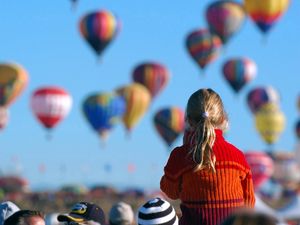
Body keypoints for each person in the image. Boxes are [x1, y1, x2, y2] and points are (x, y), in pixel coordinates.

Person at [160, 88, 255, 225]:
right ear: (223, 118)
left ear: (189, 121)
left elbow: (170, 191)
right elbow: (249, 203)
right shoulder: (237, 157)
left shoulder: (180, 156)